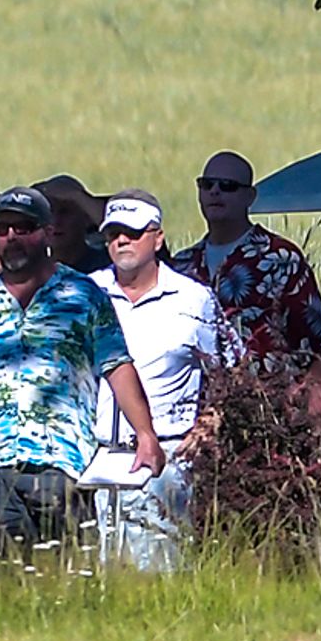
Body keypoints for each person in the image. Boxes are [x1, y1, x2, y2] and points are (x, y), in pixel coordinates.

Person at [0, 185, 159, 564]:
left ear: (45, 232)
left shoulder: (82, 294)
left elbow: (117, 365)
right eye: (3, 229)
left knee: (65, 581)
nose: (11, 238)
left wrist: (146, 434)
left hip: (62, 464)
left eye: (23, 228)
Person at [85, 192, 216, 573]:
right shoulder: (84, 293)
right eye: (113, 234)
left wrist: (210, 422)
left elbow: (229, 369)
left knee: (163, 573)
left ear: (157, 238)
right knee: (101, 579)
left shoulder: (194, 300)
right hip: (98, 457)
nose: (121, 241)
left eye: (132, 232)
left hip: (168, 458)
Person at [180, 150, 321, 412]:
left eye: (227, 186)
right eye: (207, 185)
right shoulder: (181, 266)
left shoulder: (279, 258)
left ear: (249, 197)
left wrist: (313, 412)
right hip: (194, 416)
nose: (215, 192)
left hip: (269, 413)